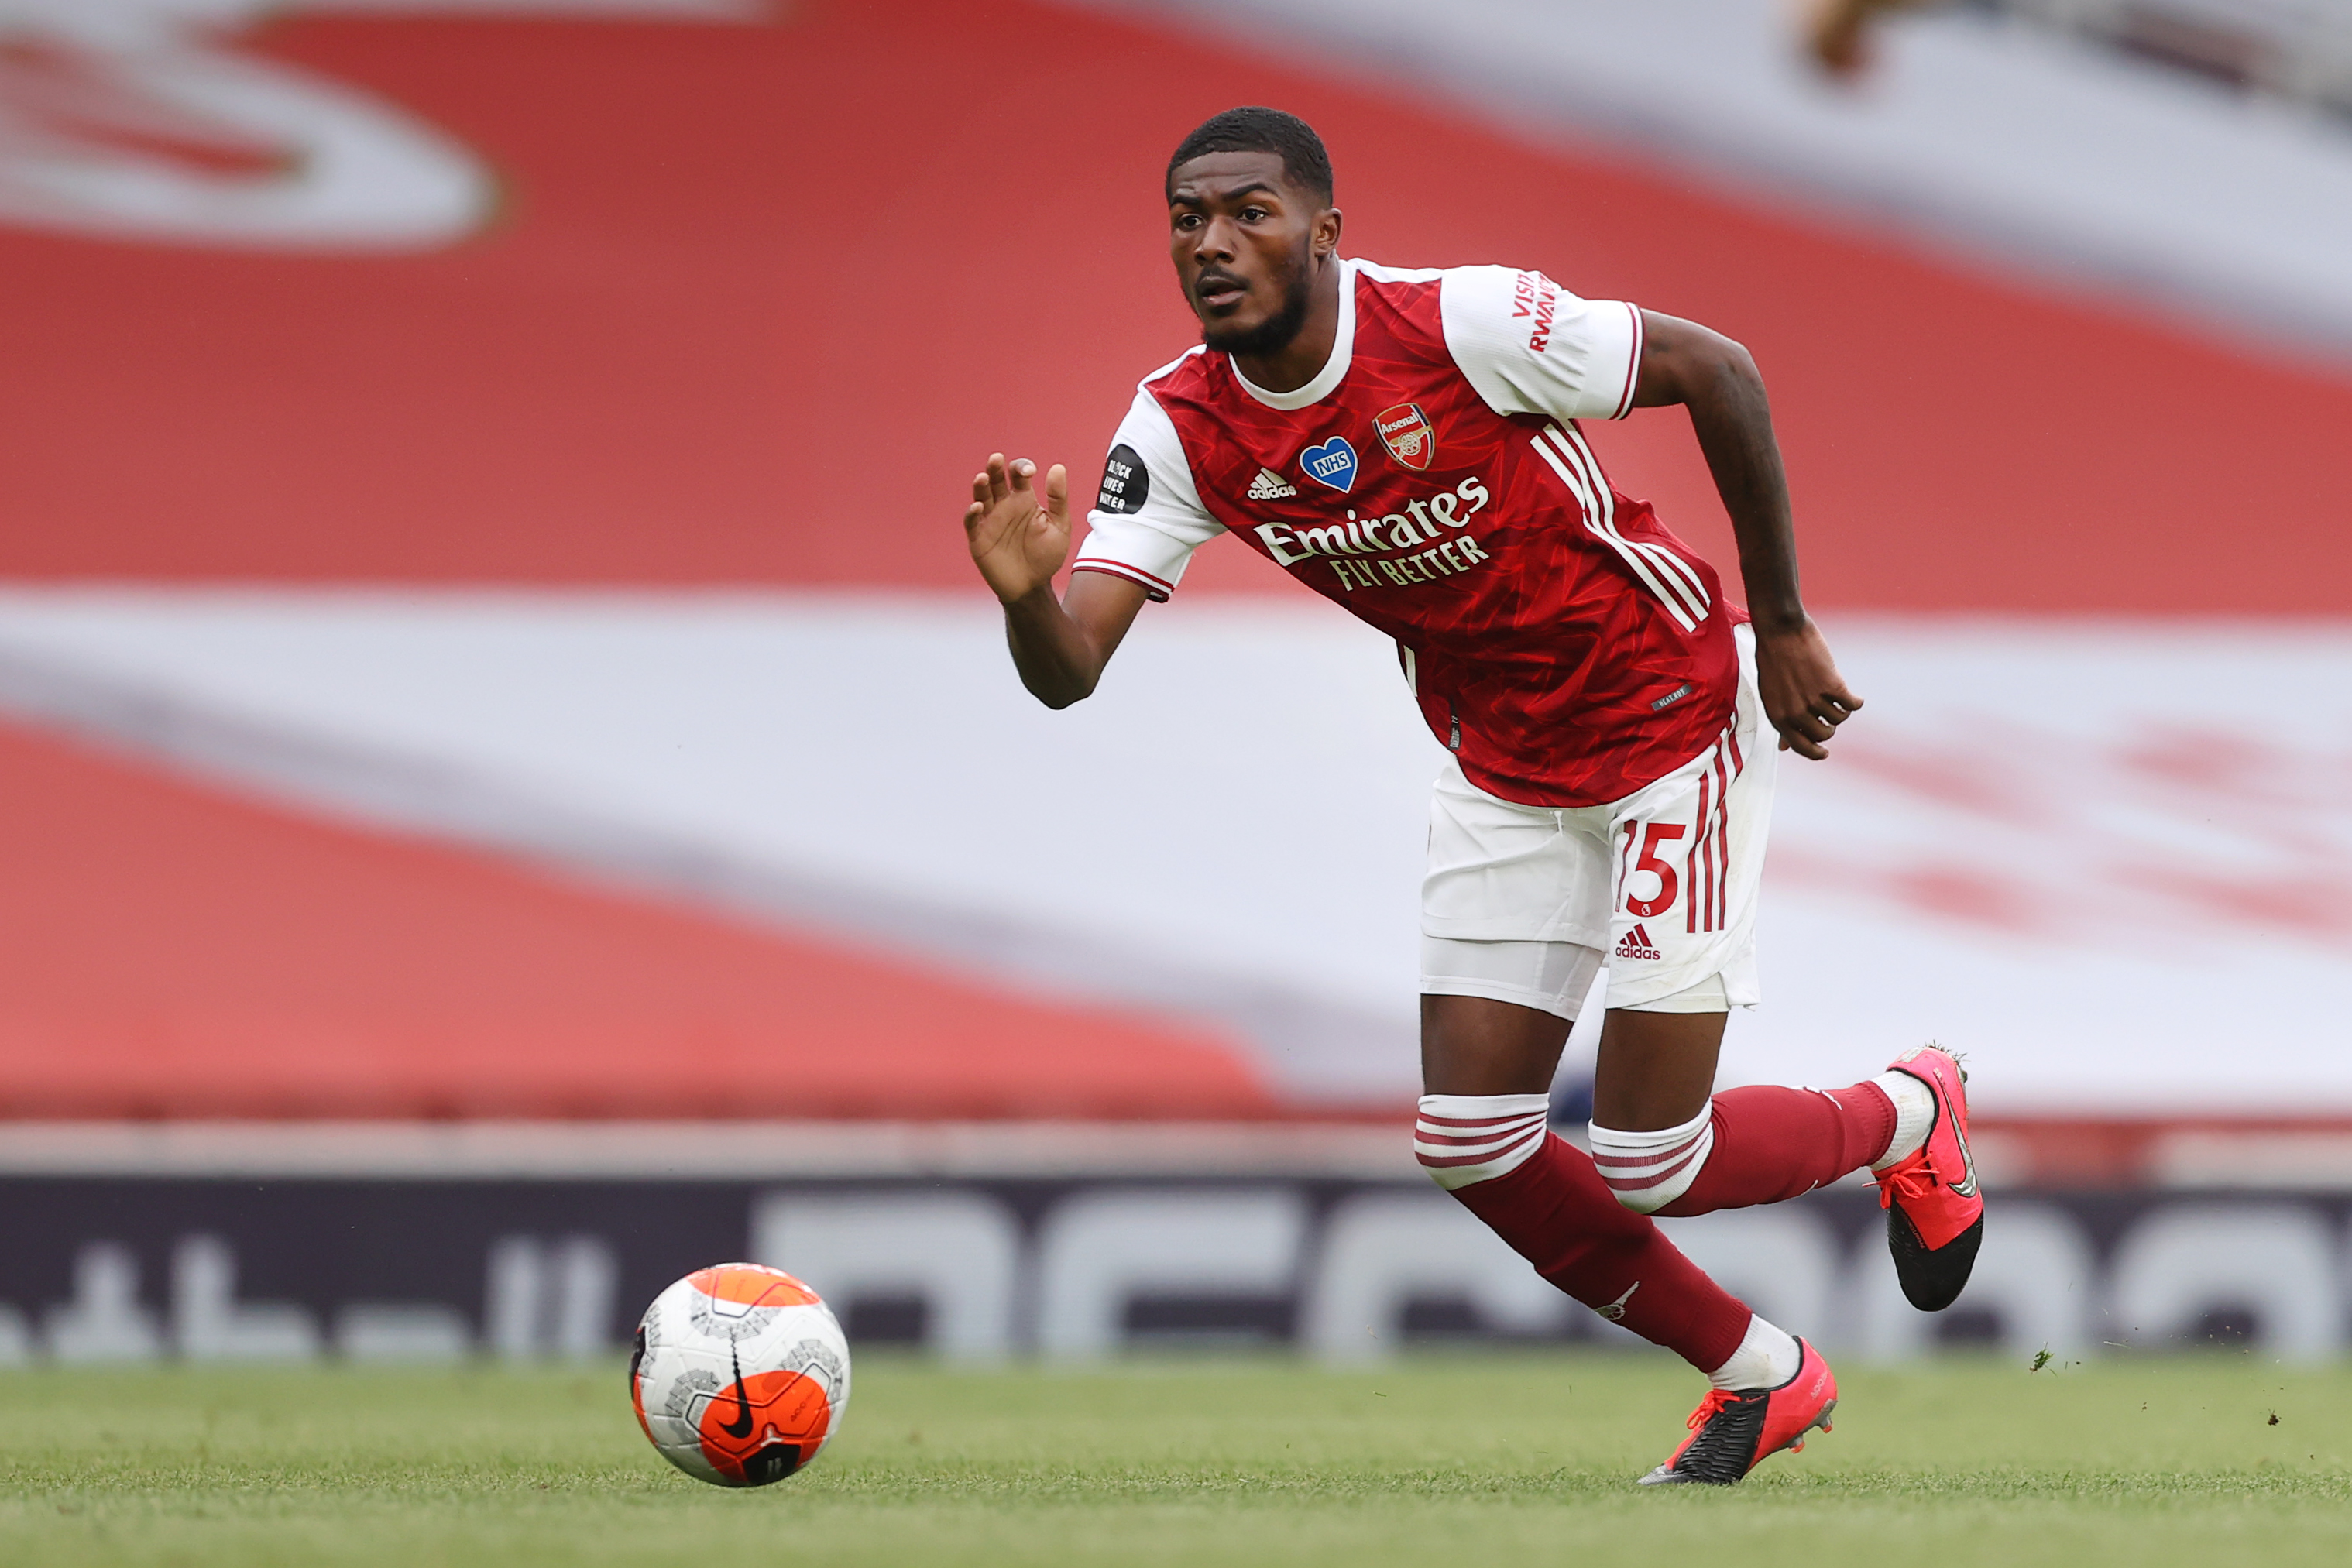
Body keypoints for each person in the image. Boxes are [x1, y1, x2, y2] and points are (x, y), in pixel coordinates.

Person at [960, 106, 1981, 1485]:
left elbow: (1717, 370)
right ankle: (1761, 1370)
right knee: (1472, 1140)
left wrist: (1783, 625)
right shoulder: (1182, 426)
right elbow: (1070, 667)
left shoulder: (1464, 322)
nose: (1212, 244)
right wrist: (1027, 600)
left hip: (1669, 716)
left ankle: (1910, 1113)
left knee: (1648, 1159)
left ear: (1324, 230)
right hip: (1503, 771)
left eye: (1249, 212)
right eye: (1187, 219)